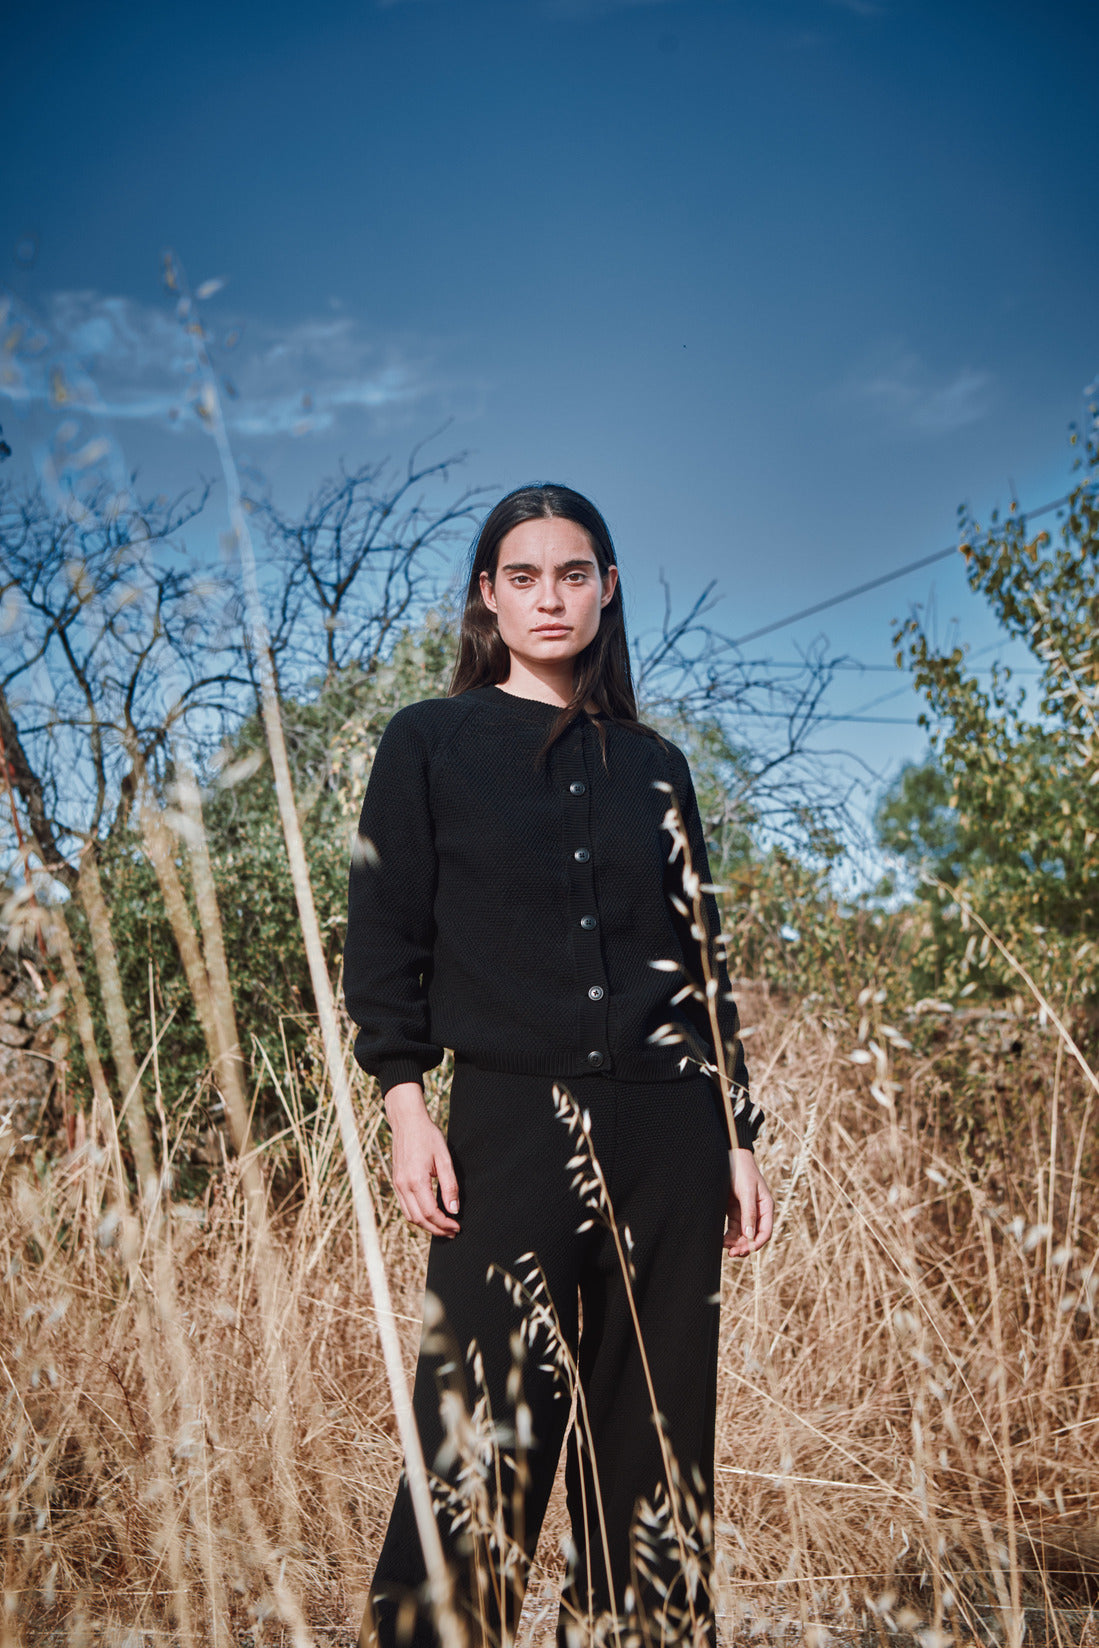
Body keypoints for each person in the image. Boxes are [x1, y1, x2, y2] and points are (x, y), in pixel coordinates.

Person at [344, 483, 774, 1648]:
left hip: (671, 1136)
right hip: (506, 1128)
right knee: (477, 1430)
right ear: (487, 593)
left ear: (607, 589)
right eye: (523, 576)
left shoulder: (654, 763)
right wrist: (404, 1106)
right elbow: (387, 935)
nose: (549, 597)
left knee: (655, 1443)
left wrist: (736, 1132)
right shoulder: (427, 741)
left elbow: (699, 959)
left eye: (572, 574)